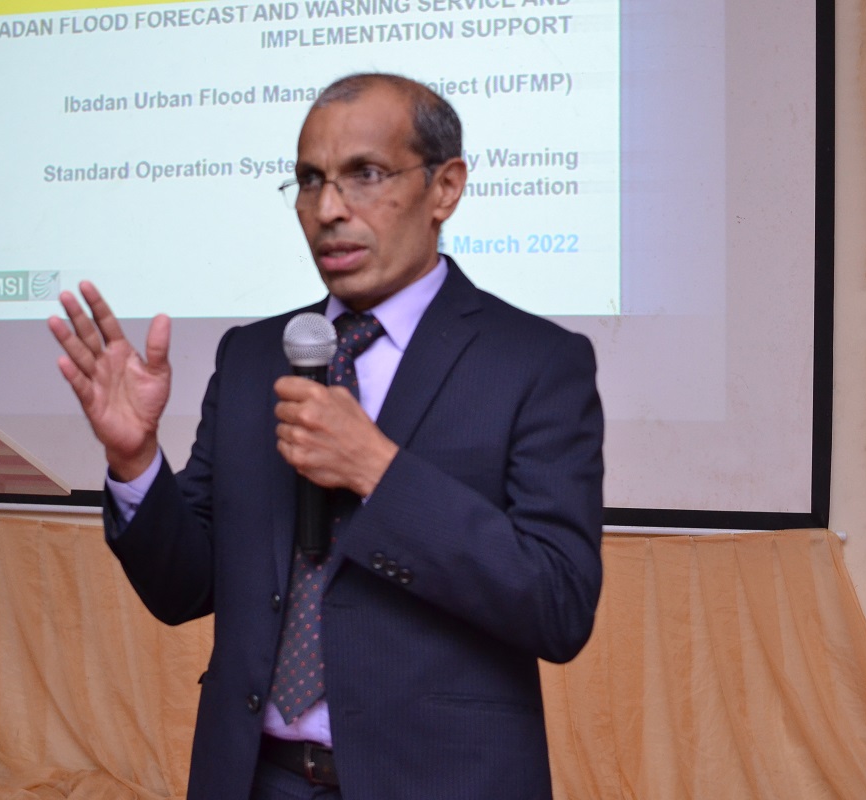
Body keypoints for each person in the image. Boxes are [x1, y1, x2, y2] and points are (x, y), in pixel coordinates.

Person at [49, 73, 604, 800]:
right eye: (310, 181)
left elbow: (558, 607)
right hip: (255, 779)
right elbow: (185, 587)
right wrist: (134, 460)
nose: (329, 209)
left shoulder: (534, 363)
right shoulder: (252, 359)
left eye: (364, 175)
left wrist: (379, 469)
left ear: (446, 188)